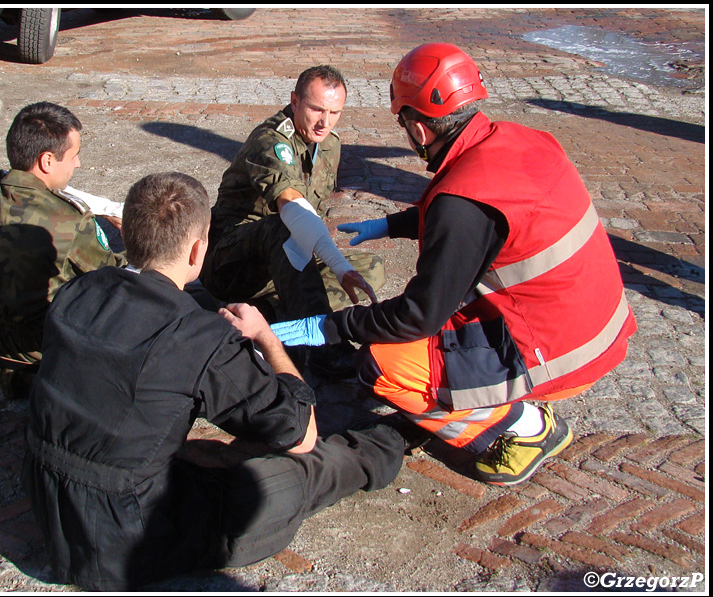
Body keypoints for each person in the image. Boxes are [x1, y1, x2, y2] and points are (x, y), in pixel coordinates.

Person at [270, 43, 637, 486]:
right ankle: (504, 399)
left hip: (564, 356)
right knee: (457, 311)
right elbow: (480, 221)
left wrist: (336, 326)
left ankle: (520, 426)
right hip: (599, 328)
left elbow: (417, 316)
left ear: (419, 131)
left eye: (403, 122)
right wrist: (391, 224)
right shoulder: (521, 140)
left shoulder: (458, 203)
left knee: (382, 363)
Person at [21, 172, 407, 591]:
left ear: (127, 232)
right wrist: (266, 337)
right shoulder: (195, 334)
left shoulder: (79, 291)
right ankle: (385, 444)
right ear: (196, 249)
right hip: (125, 542)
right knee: (287, 481)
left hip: (48, 503)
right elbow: (300, 433)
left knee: (201, 456)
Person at [199, 65, 384, 379]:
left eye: (334, 112)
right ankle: (322, 346)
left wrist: (344, 269)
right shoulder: (271, 141)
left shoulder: (329, 144)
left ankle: (270, 318)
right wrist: (337, 265)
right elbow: (293, 208)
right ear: (295, 101)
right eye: (316, 109)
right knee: (286, 227)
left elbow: (312, 216)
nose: (325, 121)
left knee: (369, 269)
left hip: (282, 263)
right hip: (232, 263)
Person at [0, 102, 125, 399]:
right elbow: (114, 276)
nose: (78, 164)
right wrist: (139, 241)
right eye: (74, 155)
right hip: (34, 363)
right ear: (47, 161)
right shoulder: (67, 220)